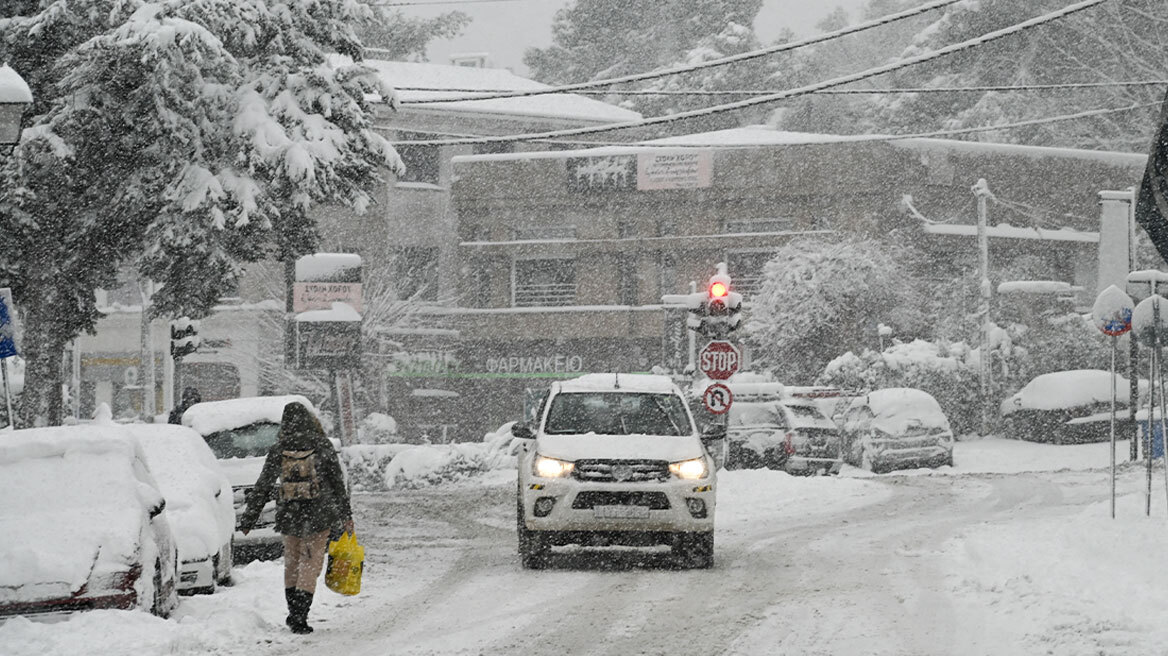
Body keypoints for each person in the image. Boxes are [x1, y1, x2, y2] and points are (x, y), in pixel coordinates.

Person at [239, 401, 354, 634]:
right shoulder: (322, 445)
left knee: (291, 564)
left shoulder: (280, 448)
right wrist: (346, 515)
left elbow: (264, 484)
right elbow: (336, 483)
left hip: (289, 515)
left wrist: (249, 518)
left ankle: (293, 612)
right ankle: (300, 616)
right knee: (310, 564)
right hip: (318, 515)